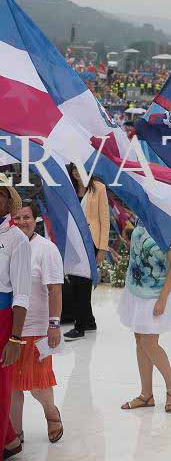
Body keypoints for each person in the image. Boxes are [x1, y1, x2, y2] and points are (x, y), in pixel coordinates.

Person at [10, 200, 64, 446]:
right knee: (12, 386)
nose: (22, 222)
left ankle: (51, 413)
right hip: (9, 328)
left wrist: (54, 325)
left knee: (38, 384)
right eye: (17, 218)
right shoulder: (7, 245)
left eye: (27, 217)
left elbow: (55, 290)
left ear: (36, 220)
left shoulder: (46, 249)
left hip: (36, 328)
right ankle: (15, 433)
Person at [118, 222, 171, 413]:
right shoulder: (141, 218)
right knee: (139, 340)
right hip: (135, 289)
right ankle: (146, 394)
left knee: (149, 343)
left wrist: (162, 299)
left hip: (156, 294)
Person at [0, 176, 31, 460]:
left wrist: (15, 338)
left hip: (4, 320)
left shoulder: (17, 240)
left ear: (9, 201)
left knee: (0, 388)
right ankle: (10, 440)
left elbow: (21, 294)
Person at [64, 165, 110, 341]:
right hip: (74, 242)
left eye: (80, 168)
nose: (77, 172)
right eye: (74, 168)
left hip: (91, 242)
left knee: (83, 284)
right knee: (75, 282)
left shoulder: (99, 188)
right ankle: (89, 321)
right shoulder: (69, 188)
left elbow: (105, 219)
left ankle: (80, 327)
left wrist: (103, 248)